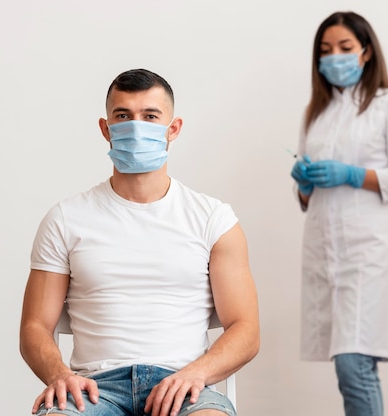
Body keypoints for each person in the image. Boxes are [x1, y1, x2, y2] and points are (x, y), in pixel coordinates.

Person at [20, 68, 260, 416]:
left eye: (150, 116)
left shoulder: (214, 219)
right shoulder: (65, 219)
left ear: (172, 129)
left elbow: (246, 329)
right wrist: (59, 375)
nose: (136, 127)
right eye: (123, 116)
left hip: (185, 385)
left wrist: (196, 373)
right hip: (94, 389)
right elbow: (35, 325)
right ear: (106, 130)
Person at [290, 11, 388, 416]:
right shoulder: (316, 112)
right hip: (323, 252)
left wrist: (352, 175)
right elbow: (305, 202)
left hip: (366, 253)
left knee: (355, 363)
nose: (335, 58)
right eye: (325, 51)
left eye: (345, 48)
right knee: (347, 364)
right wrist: (305, 184)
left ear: (366, 52)